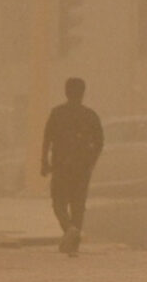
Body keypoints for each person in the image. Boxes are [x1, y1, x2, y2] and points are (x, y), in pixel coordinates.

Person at [40, 77, 104, 256]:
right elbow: (100, 142)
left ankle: (69, 228)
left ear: (66, 92)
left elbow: (47, 139)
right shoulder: (90, 115)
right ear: (83, 93)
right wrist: (91, 161)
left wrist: (44, 162)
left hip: (61, 166)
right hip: (83, 168)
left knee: (58, 202)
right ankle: (74, 247)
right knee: (78, 204)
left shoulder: (57, 113)